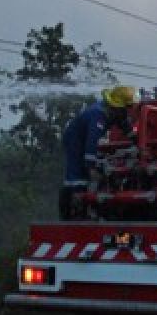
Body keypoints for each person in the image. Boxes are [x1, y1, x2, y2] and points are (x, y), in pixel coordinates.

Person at [59, 85, 135, 219]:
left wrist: (135, 139)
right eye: (127, 107)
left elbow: (125, 126)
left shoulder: (115, 112)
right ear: (118, 106)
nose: (130, 110)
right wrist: (91, 168)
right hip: (75, 140)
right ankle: (75, 203)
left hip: (85, 140)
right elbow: (91, 142)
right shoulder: (98, 114)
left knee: (96, 164)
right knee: (78, 173)